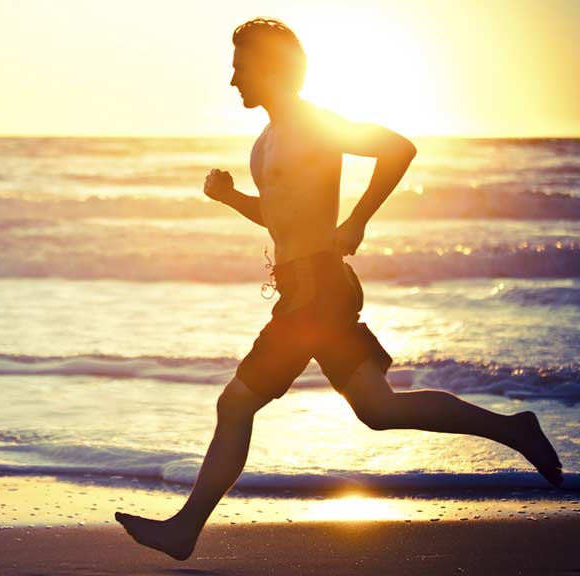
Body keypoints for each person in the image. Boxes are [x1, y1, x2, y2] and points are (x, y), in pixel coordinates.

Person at [114, 17, 563, 561]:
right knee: (378, 408)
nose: (233, 80)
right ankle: (514, 429)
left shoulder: (313, 125)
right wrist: (232, 198)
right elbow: (283, 221)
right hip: (310, 290)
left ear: (269, 66)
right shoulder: (267, 142)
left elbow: (398, 148)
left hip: (316, 293)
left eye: (240, 67)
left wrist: (358, 220)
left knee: (236, 404)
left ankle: (185, 529)